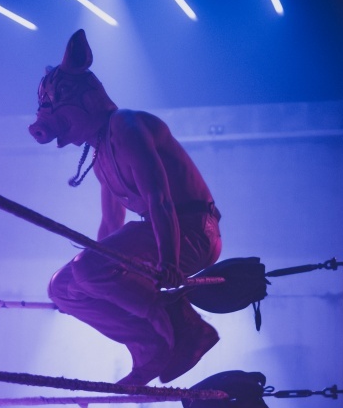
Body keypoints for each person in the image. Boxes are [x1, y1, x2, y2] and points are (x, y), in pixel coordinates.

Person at [28, 29, 222, 386]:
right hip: (161, 238)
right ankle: (149, 345)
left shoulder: (126, 127)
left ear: (86, 100)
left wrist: (167, 263)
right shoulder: (102, 153)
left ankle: (178, 326)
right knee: (65, 288)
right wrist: (93, 275)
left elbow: (159, 200)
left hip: (191, 233)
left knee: (88, 269)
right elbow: (110, 229)